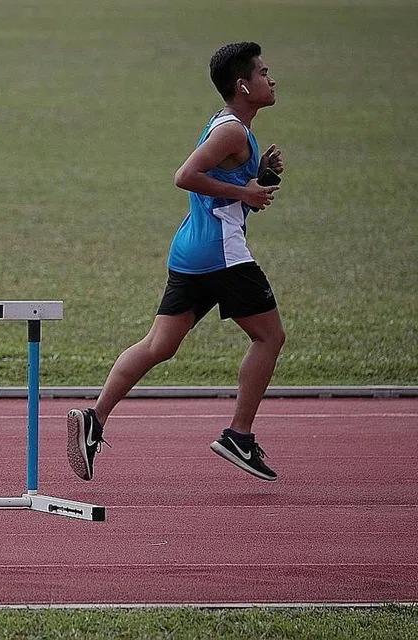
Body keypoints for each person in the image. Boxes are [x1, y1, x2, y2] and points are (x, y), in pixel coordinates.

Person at [67, 42, 286, 483]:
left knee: (158, 346)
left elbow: (218, 186)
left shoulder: (231, 126)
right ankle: (239, 436)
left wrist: (256, 177)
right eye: (263, 73)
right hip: (222, 255)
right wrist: (244, 191)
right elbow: (185, 177)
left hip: (192, 251)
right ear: (243, 85)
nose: (271, 78)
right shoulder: (232, 131)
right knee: (269, 337)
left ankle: (94, 418)